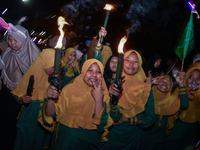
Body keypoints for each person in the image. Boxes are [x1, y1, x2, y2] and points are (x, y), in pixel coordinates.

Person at [42, 59, 113, 149]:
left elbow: (101, 126)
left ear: (102, 76)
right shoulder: (68, 90)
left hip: (90, 144)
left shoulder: (104, 96)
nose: (94, 75)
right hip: (66, 142)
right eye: (90, 70)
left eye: (98, 72)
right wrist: (51, 98)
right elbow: (50, 115)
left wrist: (98, 100)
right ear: (83, 72)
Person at [0, 24, 40, 150]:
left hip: (23, 98)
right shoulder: (7, 53)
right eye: (10, 39)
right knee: (4, 123)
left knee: (16, 126)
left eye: (16, 40)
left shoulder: (33, 55)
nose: (12, 43)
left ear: (23, 40)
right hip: (7, 94)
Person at [105, 50, 154, 150]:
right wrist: (113, 98)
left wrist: (127, 120)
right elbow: (111, 116)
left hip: (133, 138)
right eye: (127, 60)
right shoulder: (114, 84)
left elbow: (150, 119)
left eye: (135, 61)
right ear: (122, 63)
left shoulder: (146, 88)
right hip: (112, 136)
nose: (131, 64)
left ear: (140, 64)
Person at [11, 49, 55, 150]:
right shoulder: (31, 75)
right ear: (44, 62)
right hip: (29, 118)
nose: (54, 69)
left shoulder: (53, 78)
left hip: (44, 120)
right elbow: (18, 96)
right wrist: (23, 99)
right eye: (51, 65)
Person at [141, 74, 189, 150]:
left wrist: (181, 84)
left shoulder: (171, 100)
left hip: (159, 139)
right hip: (143, 136)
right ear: (156, 82)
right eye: (162, 80)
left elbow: (184, 105)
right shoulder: (147, 94)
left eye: (168, 83)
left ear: (171, 87)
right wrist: (147, 84)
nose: (165, 84)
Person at [165, 67, 200, 150]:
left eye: (198, 78)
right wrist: (184, 96)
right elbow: (171, 106)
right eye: (191, 77)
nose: (194, 81)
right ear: (186, 78)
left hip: (191, 128)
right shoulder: (179, 89)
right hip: (177, 125)